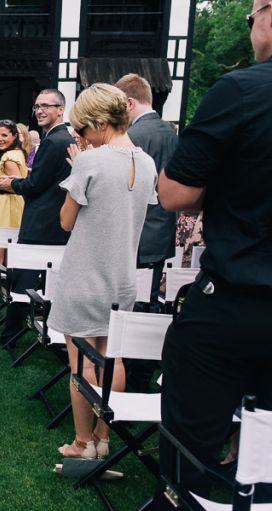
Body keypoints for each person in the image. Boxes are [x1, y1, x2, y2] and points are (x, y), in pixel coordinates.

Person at [153, 1, 272, 505]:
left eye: (249, 18)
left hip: (237, 302)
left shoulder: (243, 89)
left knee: (190, 442)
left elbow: (175, 195)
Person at [47, 83, 157, 459]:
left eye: (83, 128)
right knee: (114, 357)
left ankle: (82, 443)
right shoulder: (147, 162)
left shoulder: (89, 161)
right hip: (123, 277)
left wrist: (79, 167)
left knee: (80, 359)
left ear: (98, 122)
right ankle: (104, 436)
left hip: (84, 274)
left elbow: (65, 221)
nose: (81, 136)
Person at [114, 73, 179, 394]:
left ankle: (130, 379)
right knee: (148, 306)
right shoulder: (170, 134)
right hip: (161, 236)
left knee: (129, 312)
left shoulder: (133, 137)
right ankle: (141, 375)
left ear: (128, 102)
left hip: (136, 237)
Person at [0, 89, 73, 341]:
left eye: (46, 106)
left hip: (41, 221)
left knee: (23, 275)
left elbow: (36, 184)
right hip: (57, 221)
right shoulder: (65, 139)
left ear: (60, 109)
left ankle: (11, 334)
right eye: (37, 106)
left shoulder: (53, 141)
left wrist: (11, 184)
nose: (39, 110)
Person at [0, 119, 28, 317]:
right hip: (13, 207)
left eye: (4, 135)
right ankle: (6, 300)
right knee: (8, 257)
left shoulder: (10, 157)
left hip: (6, 206)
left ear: (14, 136)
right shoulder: (17, 153)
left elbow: (15, 183)